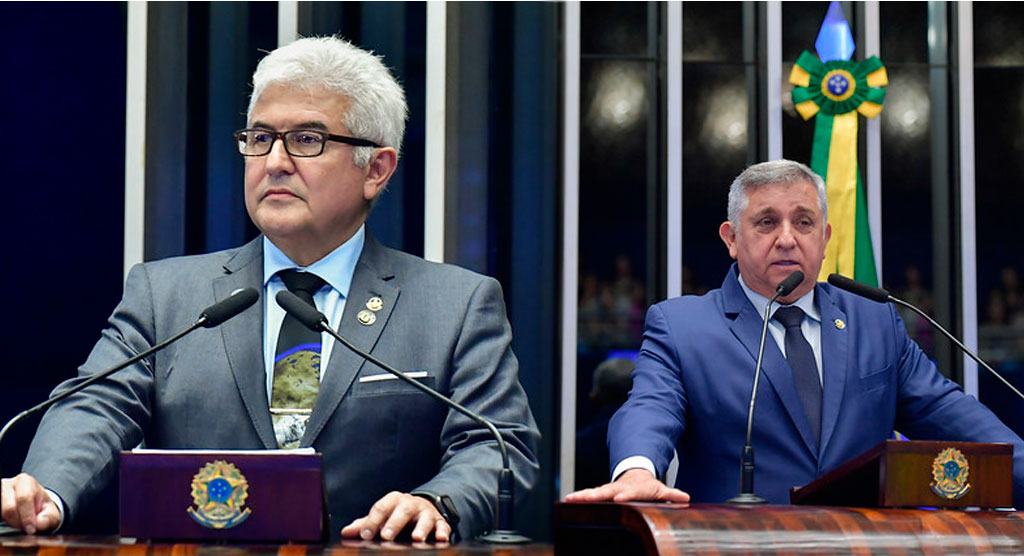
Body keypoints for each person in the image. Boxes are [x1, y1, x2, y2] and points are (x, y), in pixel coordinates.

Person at [1, 36, 540, 542]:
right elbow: (96, 405)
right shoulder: (167, 296)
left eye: (307, 140)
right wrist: (46, 491)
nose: (274, 162)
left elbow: (498, 444)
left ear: (376, 169)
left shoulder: (455, 305)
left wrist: (439, 503)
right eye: (260, 138)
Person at [566, 159, 1024, 506]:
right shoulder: (683, 326)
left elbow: (952, 414)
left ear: (824, 238)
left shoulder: (875, 321)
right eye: (766, 222)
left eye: (803, 222)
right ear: (730, 238)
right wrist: (636, 470)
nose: (787, 238)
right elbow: (649, 408)